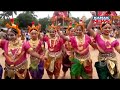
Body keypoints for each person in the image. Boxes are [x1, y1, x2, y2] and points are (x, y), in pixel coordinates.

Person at [87, 11, 120, 79]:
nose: (107, 29)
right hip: (102, 60)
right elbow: (89, 29)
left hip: (112, 60)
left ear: (111, 29)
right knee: (103, 77)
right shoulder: (98, 36)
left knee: (113, 76)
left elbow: (118, 49)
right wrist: (92, 18)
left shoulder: (114, 39)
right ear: (101, 29)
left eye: (109, 28)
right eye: (105, 28)